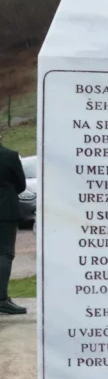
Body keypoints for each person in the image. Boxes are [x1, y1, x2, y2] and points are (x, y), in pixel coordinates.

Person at [0, 131, 25, 316]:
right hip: (5, 210)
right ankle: (1, 299)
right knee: (4, 253)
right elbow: (21, 184)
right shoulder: (9, 156)